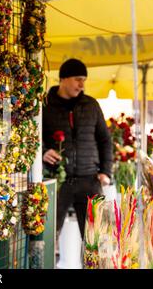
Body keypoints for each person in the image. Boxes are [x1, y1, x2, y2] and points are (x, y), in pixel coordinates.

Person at [42, 58, 113, 239]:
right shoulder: (46, 105)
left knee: (96, 238)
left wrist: (106, 172)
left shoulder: (91, 105)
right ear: (63, 79)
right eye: (77, 79)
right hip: (57, 181)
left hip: (90, 179)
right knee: (47, 235)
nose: (82, 84)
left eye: (84, 80)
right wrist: (43, 151)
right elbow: (35, 137)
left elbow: (105, 139)